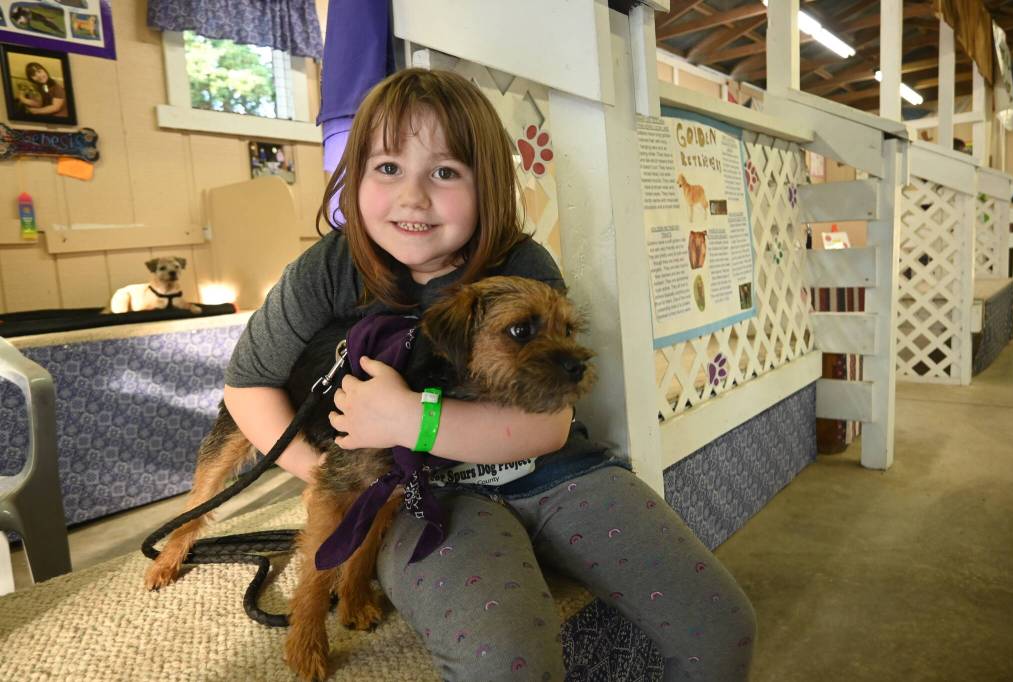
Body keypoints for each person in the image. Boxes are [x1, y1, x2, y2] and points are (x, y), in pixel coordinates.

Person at [223, 68, 756, 681]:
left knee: (721, 629)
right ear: (354, 176)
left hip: (551, 473)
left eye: (445, 172)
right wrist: (329, 477)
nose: (413, 197)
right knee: (507, 665)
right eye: (387, 168)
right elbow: (247, 385)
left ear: (489, 185)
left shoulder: (521, 263)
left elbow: (547, 428)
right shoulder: (325, 270)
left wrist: (408, 419)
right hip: (422, 498)